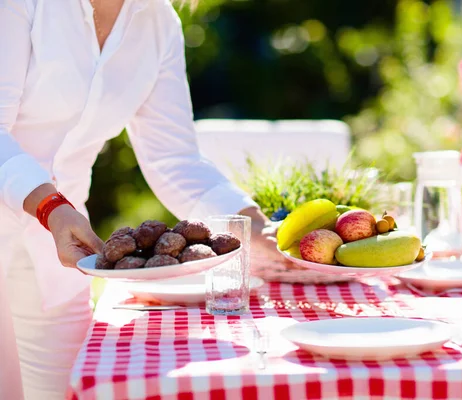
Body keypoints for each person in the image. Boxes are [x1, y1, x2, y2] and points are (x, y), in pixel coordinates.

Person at [0, 1, 278, 398]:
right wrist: (51, 206)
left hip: (64, 253)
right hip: (51, 219)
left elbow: (173, 158)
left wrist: (258, 227)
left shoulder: (158, 22)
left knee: (65, 390)